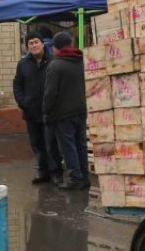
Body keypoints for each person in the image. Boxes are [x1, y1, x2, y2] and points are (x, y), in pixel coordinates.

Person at [13, 30, 63, 185]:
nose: (34, 45)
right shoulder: (23, 64)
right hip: (31, 112)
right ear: (27, 46)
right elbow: (17, 84)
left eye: (36, 42)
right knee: (37, 144)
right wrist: (22, 102)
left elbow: (61, 84)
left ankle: (56, 173)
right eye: (30, 43)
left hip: (50, 112)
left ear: (43, 44)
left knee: (51, 144)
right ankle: (43, 172)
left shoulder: (54, 61)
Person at [42, 31, 89, 190]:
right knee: (81, 144)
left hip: (63, 114)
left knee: (68, 147)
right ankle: (84, 176)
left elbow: (50, 94)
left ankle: (75, 179)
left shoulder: (56, 65)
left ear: (56, 48)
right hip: (81, 110)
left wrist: (46, 112)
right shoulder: (81, 61)